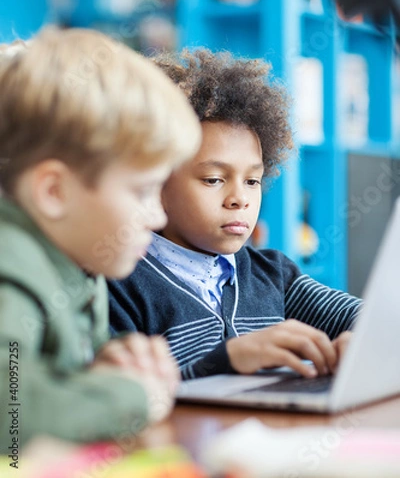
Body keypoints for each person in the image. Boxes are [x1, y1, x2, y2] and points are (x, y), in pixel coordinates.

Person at [0, 27, 201, 452]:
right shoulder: (11, 266)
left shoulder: (79, 262)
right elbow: (9, 415)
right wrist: (133, 397)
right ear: (54, 192)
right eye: (142, 191)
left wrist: (109, 366)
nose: (159, 216)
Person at [108, 48, 362, 380]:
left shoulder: (272, 275)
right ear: (156, 183)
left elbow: (361, 318)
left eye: (252, 180)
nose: (239, 199)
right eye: (213, 179)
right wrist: (226, 359)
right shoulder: (121, 283)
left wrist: (357, 340)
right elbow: (120, 391)